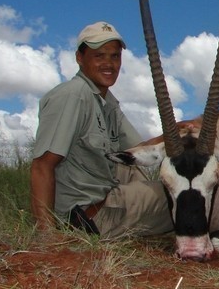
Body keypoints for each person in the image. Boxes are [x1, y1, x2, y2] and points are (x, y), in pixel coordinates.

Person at [30, 21, 173, 238]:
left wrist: (184, 128)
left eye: (115, 56)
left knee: (131, 166)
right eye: (99, 56)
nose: (109, 64)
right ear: (80, 58)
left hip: (103, 199)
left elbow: (141, 150)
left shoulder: (108, 103)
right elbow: (42, 166)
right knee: (179, 194)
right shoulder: (73, 95)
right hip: (88, 218)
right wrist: (47, 235)